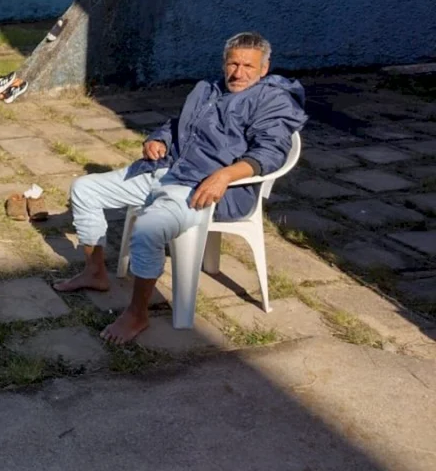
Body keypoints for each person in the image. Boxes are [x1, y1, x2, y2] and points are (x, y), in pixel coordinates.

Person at [54, 32, 307, 343]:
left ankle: (137, 313)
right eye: (232, 64)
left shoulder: (272, 100)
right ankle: (95, 272)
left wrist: (225, 175)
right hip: (167, 170)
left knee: (147, 229)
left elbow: (270, 152)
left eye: (248, 67)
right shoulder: (207, 89)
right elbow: (178, 125)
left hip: (207, 189)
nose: (238, 73)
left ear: (264, 69)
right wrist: (157, 139)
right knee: (84, 189)